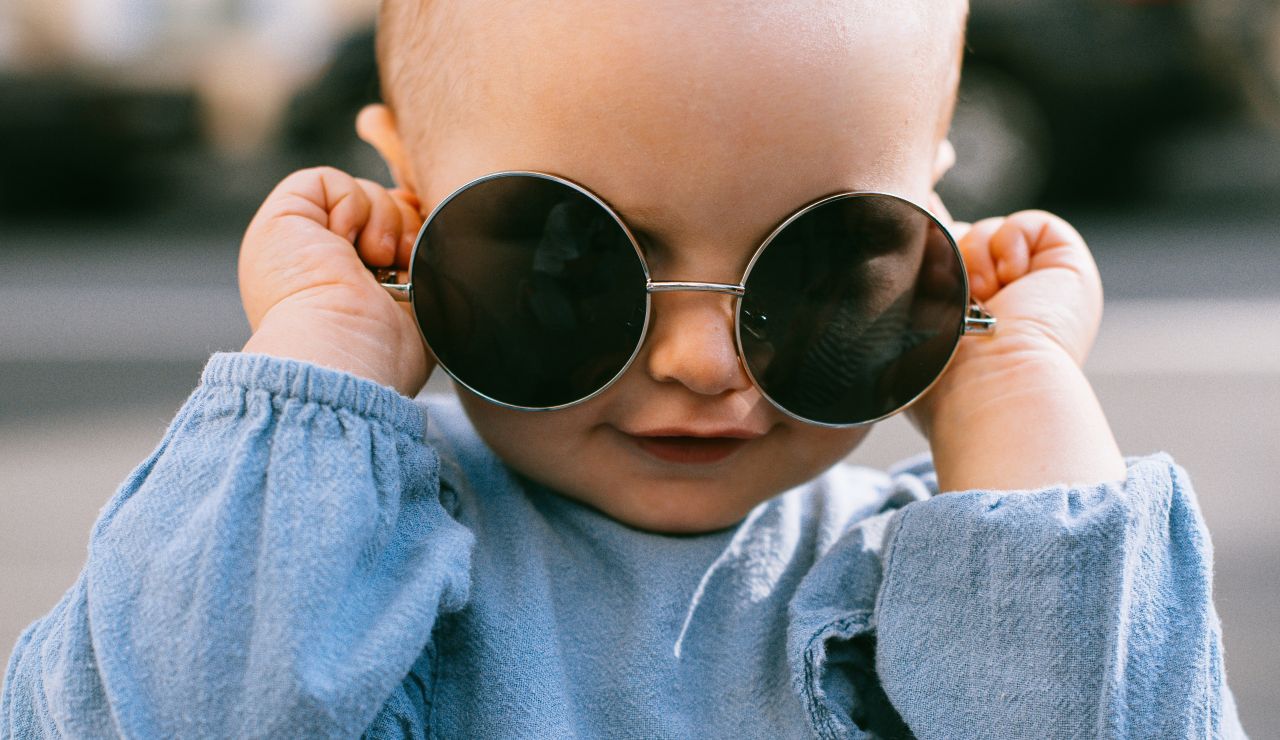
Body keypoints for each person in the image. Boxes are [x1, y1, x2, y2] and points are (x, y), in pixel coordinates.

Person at [2, 1, 1248, 737]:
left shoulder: (957, 576)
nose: (703, 360)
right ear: (407, 200)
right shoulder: (319, 545)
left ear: (930, 206)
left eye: (818, 256)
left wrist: (1016, 399)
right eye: (575, 252)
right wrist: (325, 349)